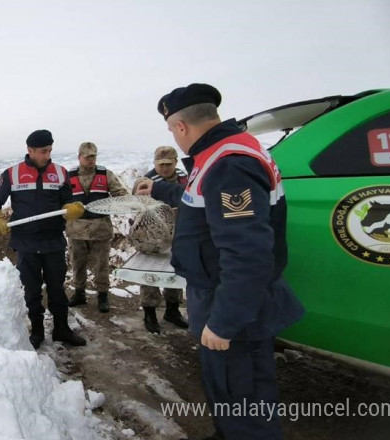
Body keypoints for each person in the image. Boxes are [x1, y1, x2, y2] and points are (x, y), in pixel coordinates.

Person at [136, 84, 304, 440]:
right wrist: (160, 190)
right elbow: (203, 199)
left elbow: (247, 253)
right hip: (221, 295)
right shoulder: (222, 154)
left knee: (243, 395)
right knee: (227, 390)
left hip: (230, 304)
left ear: (181, 126)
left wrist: (225, 321)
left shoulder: (228, 164)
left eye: (171, 130)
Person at [0, 129, 88, 349]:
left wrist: (70, 209)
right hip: (26, 244)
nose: (47, 155)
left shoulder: (60, 173)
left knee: (57, 289)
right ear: (30, 150)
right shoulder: (13, 174)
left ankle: (62, 329)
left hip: (53, 242)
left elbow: (67, 201)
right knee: (32, 291)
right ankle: (38, 331)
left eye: (50, 150)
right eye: (43, 151)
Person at [66, 142, 130, 313]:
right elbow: (60, 200)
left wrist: (118, 203)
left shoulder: (106, 174)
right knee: (78, 264)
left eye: (93, 156)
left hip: (100, 229)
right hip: (77, 230)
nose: (90, 160)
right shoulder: (68, 176)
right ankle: (79, 294)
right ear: (79, 157)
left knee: (101, 265)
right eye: (87, 157)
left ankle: (103, 295)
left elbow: (121, 194)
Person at [134, 146, 189, 333]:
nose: (164, 168)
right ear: (154, 164)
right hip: (151, 237)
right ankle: (149, 313)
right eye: (160, 164)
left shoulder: (185, 179)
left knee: (175, 271)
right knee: (149, 274)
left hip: (179, 233)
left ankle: (172, 310)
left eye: (168, 164)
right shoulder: (145, 182)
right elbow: (135, 208)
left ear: (175, 162)